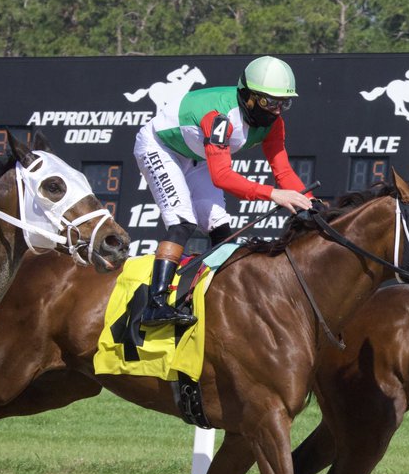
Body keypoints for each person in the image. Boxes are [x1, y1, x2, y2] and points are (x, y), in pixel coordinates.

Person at [133, 55, 313, 328]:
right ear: (248, 97)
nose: (277, 111)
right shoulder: (219, 117)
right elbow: (222, 177)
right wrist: (274, 195)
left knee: (219, 226)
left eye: (283, 103)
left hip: (197, 155)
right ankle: (155, 305)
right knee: (182, 222)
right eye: (269, 102)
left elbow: (283, 172)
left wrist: (313, 203)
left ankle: (225, 296)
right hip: (161, 147)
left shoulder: (275, 123)